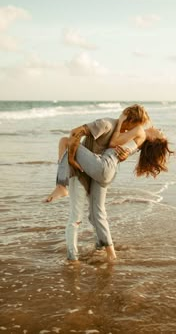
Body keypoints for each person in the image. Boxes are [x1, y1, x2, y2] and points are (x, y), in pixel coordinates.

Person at [45, 105, 151, 263]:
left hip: (94, 173)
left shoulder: (123, 132)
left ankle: (92, 251)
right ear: (130, 120)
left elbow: (118, 150)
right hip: (86, 174)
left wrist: (126, 154)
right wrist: (73, 159)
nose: (134, 129)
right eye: (135, 124)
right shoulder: (105, 124)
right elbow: (76, 132)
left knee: (91, 215)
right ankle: (86, 253)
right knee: (87, 215)